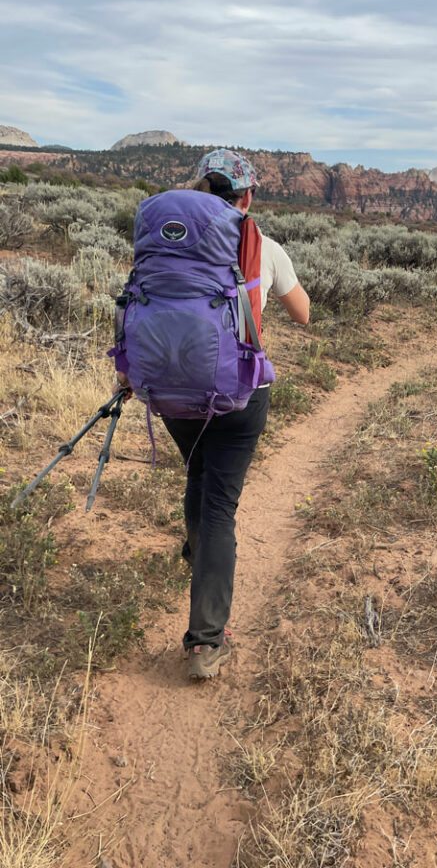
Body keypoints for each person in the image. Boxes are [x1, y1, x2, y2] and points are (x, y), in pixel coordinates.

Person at [117, 149, 309, 680]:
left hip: (171, 391)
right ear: (246, 198)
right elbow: (304, 313)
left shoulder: (164, 247)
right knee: (220, 504)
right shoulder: (263, 247)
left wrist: (127, 378)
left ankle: (201, 552)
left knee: (198, 474)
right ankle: (206, 642)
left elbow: (137, 305)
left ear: (199, 189)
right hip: (240, 396)